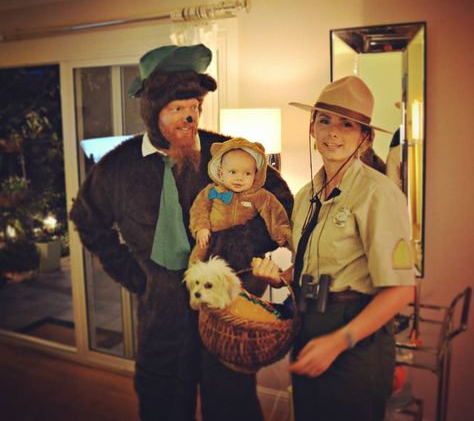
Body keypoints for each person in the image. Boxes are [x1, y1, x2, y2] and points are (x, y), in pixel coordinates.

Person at [69, 44, 293, 421]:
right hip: (162, 321)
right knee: (163, 406)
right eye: (177, 109)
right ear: (151, 110)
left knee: (233, 408)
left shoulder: (227, 155)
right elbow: (87, 219)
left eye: (195, 107)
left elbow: (279, 206)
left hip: (225, 316)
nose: (190, 118)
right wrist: (138, 277)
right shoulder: (118, 168)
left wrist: (243, 274)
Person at [252, 76, 415, 421]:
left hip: (357, 339)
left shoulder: (378, 193)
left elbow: (401, 290)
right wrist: (280, 277)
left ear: (365, 137)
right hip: (309, 323)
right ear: (311, 128)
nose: (333, 132)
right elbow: (310, 261)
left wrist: (338, 342)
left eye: (347, 124)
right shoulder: (305, 194)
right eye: (324, 120)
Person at [189, 137, 292, 265]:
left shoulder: (259, 196)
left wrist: (279, 233)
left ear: (256, 175)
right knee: (197, 261)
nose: (239, 178)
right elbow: (199, 208)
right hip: (212, 239)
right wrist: (201, 228)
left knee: (254, 267)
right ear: (221, 173)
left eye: (247, 173)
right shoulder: (213, 191)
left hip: (244, 245)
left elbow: (274, 213)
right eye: (233, 172)